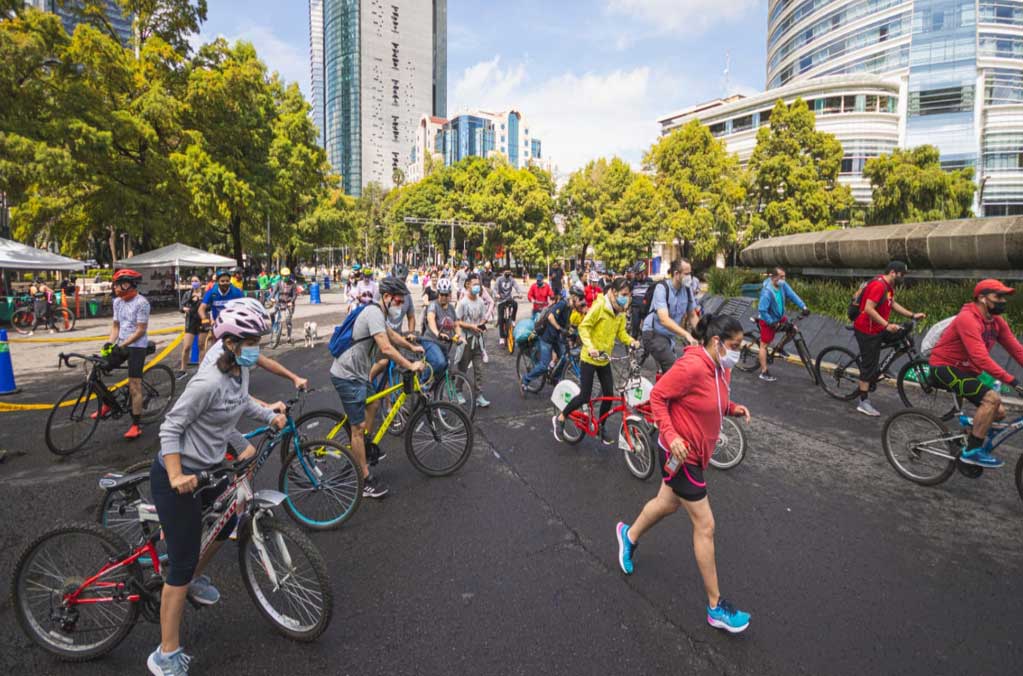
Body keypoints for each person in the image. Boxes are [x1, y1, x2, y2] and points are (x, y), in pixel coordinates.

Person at [146, 303, 286, 676]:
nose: (259, 346)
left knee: (227, 522)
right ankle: (165, 654)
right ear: (232, 343)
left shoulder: (238, 370)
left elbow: (239, 404)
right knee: (180, 563)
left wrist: (270, 416)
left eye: (259, 339)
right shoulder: (208, 380)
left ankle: (190, 579)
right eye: (253, 340)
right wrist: (176, 476)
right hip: (179, 475)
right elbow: (170, 427)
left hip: (208, 468)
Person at [615, 313, 753, 634]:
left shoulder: (721, 367)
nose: (737, 352)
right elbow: (659, 396)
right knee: (705, 525)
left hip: (693, 454)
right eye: (734, 346)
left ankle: (629, 535)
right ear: (717, 343)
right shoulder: (692, 366)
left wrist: (732, 408)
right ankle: (716, 607)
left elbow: (712, 400)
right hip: (680, 454)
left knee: (667, 503)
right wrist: (673, 435)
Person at [331, 277, 424, 498]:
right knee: (357, 427)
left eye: (403, 301)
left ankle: (365, 444)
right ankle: (364, 480)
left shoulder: (378, 313)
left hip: (359, 374)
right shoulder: (374, 313)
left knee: (373, 403)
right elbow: (386, 348)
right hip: (347, 375)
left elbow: (391, 336)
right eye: (398, 301)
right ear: (386, 297)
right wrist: (411, 364)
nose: (400, 305)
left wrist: (412, 346)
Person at [929, 279, 1023, 468]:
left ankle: (968, 434)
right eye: (998, 297)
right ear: (981, 298)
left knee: (999, 412)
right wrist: (1013, 381)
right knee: (992, 400)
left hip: (968, 370)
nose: (1002, 301)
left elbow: (1017, 350)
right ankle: (972, 452)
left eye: (1004, 297)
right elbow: (980, 357)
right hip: (944, 367)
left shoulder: (996, 322)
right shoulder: (968, 318)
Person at [553, 278, 640, 444]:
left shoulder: (620, 312)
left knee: (609, 394)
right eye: (624, 294)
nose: (626, 298)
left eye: (628, 295)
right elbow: (584, 326)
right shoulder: (600, 306)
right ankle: (562, 417)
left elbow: (621, 333)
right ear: (614, 292)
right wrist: (591, 347)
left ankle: (601, 427)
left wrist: (632, 341)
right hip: (590, 358)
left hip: (604, 359)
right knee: (585, 395)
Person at [852, 261, 925, 416]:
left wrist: (912, 315)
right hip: (868, 330)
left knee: (906, 340)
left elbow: (892, 304)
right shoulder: (879, 286)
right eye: (902, 274)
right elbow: (868, 309)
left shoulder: (888, 286)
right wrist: (887, 325)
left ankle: (882, 368)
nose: (903, 278)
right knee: (868, 367)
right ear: (893, 272)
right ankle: (863, 402)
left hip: (879, 327)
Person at [102, 269, 150, 440]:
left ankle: (136, 425)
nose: (116, 288)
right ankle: (108, 402)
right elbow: (115, 326)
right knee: (98, 366)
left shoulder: (142, 303)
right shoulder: (117, 302)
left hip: (137, 345)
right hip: (122, 342)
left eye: (120, 284)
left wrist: (122, 344)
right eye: (115, 284)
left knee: (134, 385)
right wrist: (109, 343)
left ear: (131, 284)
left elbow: (140, 331)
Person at [522, 287, 585, 393]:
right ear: (574, 298)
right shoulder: (562, 304)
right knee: (543, 366)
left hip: (557, 338)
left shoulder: (570, 308)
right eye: (579, 299)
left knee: (565, 358)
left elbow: (566, 324)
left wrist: (572, 333)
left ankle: (555, 378)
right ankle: (525, 379)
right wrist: (560, 329)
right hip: (547, 338)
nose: (580, 303)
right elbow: (551, 317)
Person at [640, 260, 698, 375]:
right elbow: (664, 320)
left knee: (675, 370)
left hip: (668, 337)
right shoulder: (662, 288)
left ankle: (662, 389)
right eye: (686, 274)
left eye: (690, 273)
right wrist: (686, 334)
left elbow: (692, 316)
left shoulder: (687, 289)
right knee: (673, 370)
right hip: (653, 333)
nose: (690, 277)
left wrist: (703, 337)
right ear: (676, 274)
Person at [755, 267, 808, 383]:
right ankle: (764, 372)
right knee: (764, 345)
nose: (784, 279)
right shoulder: (767, 292)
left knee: (793, 330)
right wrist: (771, 323)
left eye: (784, 276)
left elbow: (792, 295)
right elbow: (762, 310)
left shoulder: (782, 285)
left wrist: (803, 307)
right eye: (781, 277)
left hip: (779, 317)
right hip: (767, 319)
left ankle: (779, 348)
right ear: (773, 277)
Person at [421, 278, 462, 394]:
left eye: (446, 294)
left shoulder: (451, 309)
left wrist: (459, 335)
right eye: (442, 294)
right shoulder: (433, 305)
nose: (444, 297)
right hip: (430, 341)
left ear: (450, 294)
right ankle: (423, 381)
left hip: (445, 345)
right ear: (438, 293)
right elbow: (431, 319)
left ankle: (437, 405)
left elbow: (456, 324)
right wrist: (437, 333)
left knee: (442, 374)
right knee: (440, 362)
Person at [456, 276, 491, 408]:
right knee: (462, 368)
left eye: (478, 284)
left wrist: (482, 325)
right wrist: (471, 327)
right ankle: (458, 391)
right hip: (466, 340)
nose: (477, 287)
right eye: (474, 284)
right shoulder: (463, 303)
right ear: (467, 285)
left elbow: (482, 318)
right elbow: (457, 321)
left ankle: (479, 395)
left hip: (478, 341)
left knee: (479, 369)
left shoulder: (481, 302)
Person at [176, 276, 204, 379]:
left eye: (196, 281)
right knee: (186, 347)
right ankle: (183, 369)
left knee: (201, 346)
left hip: (202, 321)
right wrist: (184, 308)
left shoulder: (205, 293)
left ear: (200, 282)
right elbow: (180, 307)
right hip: (190, 321)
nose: (194, 283)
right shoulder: (188, 293)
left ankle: (201, 369)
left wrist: (200, 300)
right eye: (192, 281)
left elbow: (208, 306)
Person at [271, 267, 301, 343]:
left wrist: (291, 301)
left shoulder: (293, 284)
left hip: (289, 304)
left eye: (287, 275)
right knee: (273, 314)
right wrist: (272, 298)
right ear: (281, 275)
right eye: (284, 275)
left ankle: (289, 336)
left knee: (288, 320)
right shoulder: (278, 283)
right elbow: (273, 292)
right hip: (279, 303)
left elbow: (295, 295)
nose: (285, 277)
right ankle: (275, 329)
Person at [495, 268, 522, 346]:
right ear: (503, 272)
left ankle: (513, 319)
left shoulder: (511, 279)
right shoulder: (499, 279)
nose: (508, 273)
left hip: (509, 299)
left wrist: (519, 293)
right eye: (506, 272)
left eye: (509, 272)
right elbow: (495, 288)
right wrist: (496, 294)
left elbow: (516, 286)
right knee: (500, 319)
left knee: (515, 304)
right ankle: (502, 337)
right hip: (501, 300)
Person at [630, 262, 652, 339]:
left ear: (643, 273)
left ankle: (646, 348)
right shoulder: (633, 282)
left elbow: (652, 295)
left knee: (647, 330)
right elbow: (629, 294)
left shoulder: (649, 281)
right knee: (635, 327)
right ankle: (633, 346)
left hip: (646, 308)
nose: (636, 276)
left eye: (638, 274)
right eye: (635, 274)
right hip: (635, 307)